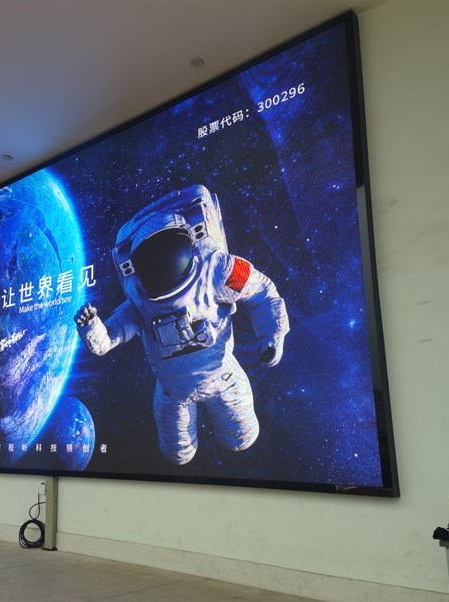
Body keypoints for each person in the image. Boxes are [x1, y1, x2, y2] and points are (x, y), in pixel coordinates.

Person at [75, 185, 289, 465]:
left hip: (220, 376)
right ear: (138, 268)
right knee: (178, 454)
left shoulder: (217, 270)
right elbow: (107, 340)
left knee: (241, 436)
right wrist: (91, 327)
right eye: (152, 262)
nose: (162, 266)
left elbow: (261, 292)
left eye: (168, 254)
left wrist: (273, 336)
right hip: (172, 392)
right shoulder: (140, 302)